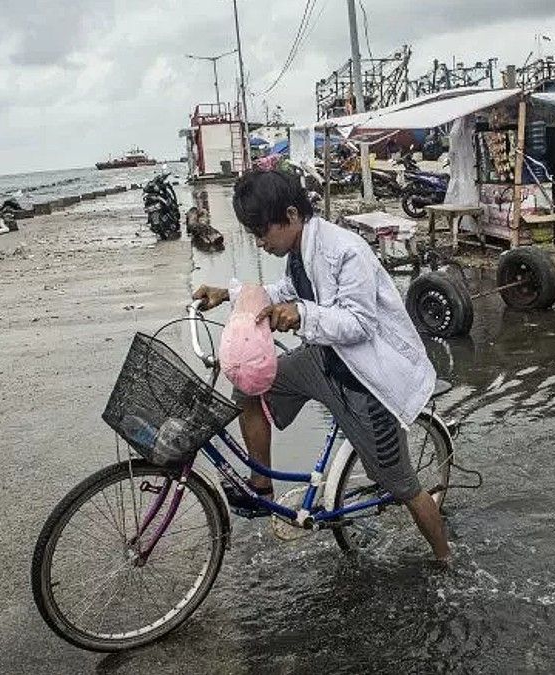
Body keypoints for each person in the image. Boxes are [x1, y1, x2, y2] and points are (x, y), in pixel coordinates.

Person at [193, 170, 450, 563]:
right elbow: (285, 293)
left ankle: (445, 558)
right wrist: (228, 294)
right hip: (326, 360)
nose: (260, 243)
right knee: (248, 386)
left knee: (403, 488)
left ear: (292, 215)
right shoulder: (298, 249)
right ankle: (262, 486)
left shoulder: (346, 251)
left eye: (263, 232)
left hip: (366, 383)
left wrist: (300, 315)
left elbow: (359, 323)